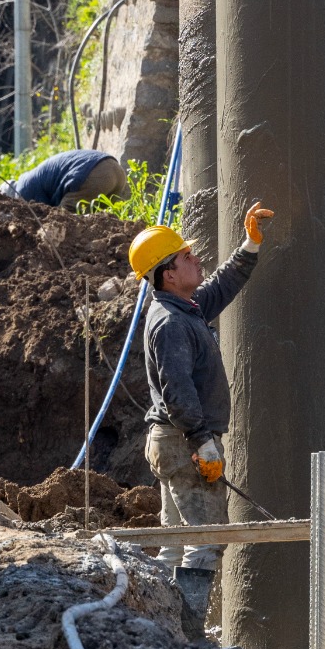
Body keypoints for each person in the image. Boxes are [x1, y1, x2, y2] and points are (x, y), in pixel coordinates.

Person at [131, 199, 275, 620]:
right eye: (187, 257)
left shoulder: (183, 308)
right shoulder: (172, 324)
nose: (197, 260)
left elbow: (220, 287)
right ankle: (189, 633)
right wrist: (203, 443)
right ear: (168, 274)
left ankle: (157, 624)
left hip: (173, 442)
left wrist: (249, 245)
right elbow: (178, 391)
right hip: (183, 442)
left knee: (177, 540)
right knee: (205, 539)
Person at [9, 149, 129, 212]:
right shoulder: (31, 176)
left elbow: (43, 213)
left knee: (63, 219)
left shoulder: (22, 190)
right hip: (117, 171)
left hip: (93, 174)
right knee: (104, 220)